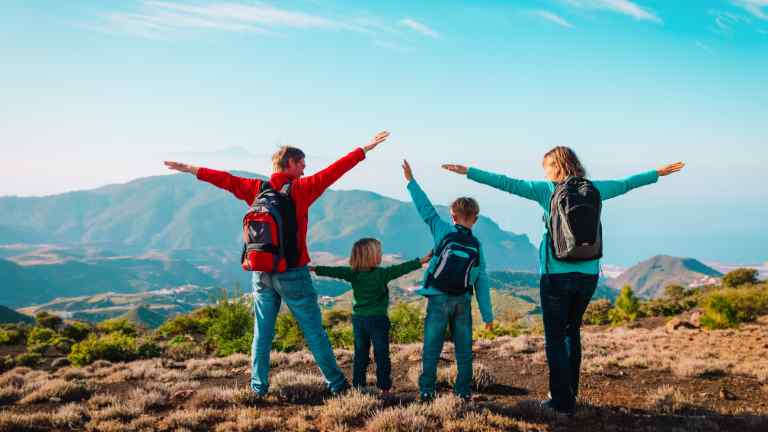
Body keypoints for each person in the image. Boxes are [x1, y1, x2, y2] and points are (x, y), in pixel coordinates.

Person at [442, 148, 684, 414]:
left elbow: (506, 183)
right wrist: (657, 174)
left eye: (546, 166)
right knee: (572, 332)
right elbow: (626, 184)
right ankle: (570, 393)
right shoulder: (594, 189)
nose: (544, 171)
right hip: (588, 274)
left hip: (556, 275)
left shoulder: (547, 190)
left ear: (556, 166)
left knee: (555, 337)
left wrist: (469, 172)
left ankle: (561, 401)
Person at [163, 130, 390, 396]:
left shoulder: (257, 189)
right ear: (290, 164)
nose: (305, 171)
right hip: (292, 273)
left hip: (261, 271)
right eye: (302, 165)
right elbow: (335, 170)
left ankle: (258, 388)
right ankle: (338, 385)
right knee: (314, 332)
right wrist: (364, 149)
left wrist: (192, 169)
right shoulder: (300, 190)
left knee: (262, 334)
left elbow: (225, 180)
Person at [402, 159, 494, 402]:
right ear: (475, 218)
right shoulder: (477, 245)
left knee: (431, 349)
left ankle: (426, 391)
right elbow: (481, 282)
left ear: (452, 215)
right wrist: (488, 316)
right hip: (462, 300)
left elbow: (426, 210)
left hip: (437, 297)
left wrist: (411, 181)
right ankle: (463, 392)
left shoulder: (443, 230)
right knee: (464, 351)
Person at [310, 238, 431, 394]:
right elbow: (402, 268)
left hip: (359, 320)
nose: (381, 255)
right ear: (371, 256)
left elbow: (334, 271)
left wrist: (314, 268)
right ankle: (384, 388)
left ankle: (358, 387)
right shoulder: (382, 274)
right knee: (382, 355)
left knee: (360, 355)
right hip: (378, 320)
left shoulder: (352, 273)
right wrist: (421, 261)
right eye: (379, 252)